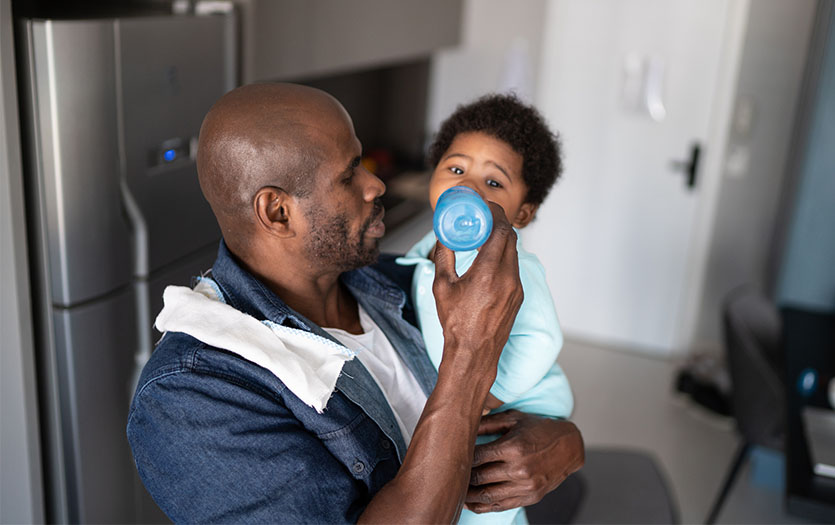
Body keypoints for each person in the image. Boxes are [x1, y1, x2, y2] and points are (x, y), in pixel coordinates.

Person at [126, 82, 584, 523]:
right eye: (349, 174)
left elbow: (535, 378)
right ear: (278, 212)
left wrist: (564, 442)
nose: (377, 185)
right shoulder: (193, 397)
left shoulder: (391, 281)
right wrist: (470, 354)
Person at [397, 94, 572, 524]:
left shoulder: (513, 267)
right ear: (433, 177)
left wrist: (489, 394)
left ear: (523, 213)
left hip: (509, 405)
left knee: (485, 495)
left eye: (494, 183)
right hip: (465, 399)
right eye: (456, 169)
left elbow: (542, 338)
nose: (468, 188)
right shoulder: (428, 250)